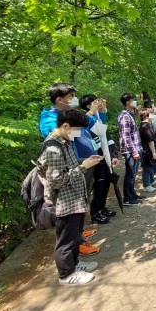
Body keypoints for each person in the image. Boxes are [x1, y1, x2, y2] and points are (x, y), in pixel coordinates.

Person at [37, 109, 103, 286]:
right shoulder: (52, 147)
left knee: (74, 235)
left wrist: (86, 161)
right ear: (66, 126)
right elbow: (56, 180)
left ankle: (75, 264)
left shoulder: (64, 141)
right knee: (65, 240)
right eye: (77, 130)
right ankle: (66, 274)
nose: (79, 134)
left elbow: (70, 166)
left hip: (74, 199)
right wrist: (84, 167)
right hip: (64, 202)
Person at [39, 83, 100, 254]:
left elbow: (86, 126)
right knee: (70, 211)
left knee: (81, 201)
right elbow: (64, 135)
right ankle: (76, 242)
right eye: (70, 98)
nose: (73, 100)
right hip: (68, 172)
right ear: (59, 99)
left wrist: (92, 114)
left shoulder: (67, 116)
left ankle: (79, 233)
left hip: (79, 165)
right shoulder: (49, 119)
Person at [80, 94, 118, 223]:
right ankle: (95, 213)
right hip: (95, 155)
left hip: (104, 153)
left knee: (106, 182)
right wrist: (92, 112)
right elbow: (84, 126)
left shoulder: (95, 117)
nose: (98, 103)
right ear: (88, 105)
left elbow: (102, 123)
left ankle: (102, 208)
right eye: (95, 102)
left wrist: (102, 109)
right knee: (99, 184)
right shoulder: (84, 118)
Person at [117, 93, 144, 206]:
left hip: (136, 148)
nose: (135, 102)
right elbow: (126, 136)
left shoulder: (130, 114)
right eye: (133, 100)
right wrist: (134, 152)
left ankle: (132, 194)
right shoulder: (125, 116)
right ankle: (128, 198)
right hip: (130, 151)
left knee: (133, 175)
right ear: (127, 102)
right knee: (130, 174)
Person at [139, 107, 156, 193]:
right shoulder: (146, 126)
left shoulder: (147, 125)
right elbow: (150, 141)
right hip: (147, 150)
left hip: (148, 149)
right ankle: (146, 185)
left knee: (151, 166)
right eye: (151, 114)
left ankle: (152, 181)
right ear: (147, 116)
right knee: (147, 167)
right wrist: (153, 152)